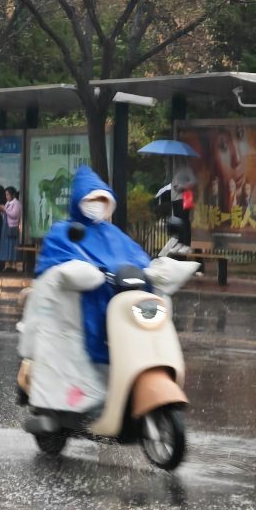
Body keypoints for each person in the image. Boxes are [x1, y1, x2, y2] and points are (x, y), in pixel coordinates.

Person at [19, 167, 152, 413]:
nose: (97, 205)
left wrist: (153, 271)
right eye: (92, 199)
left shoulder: (114, 234)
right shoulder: (63, 231)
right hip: (80, 308)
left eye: (102, 200)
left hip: (119, 301)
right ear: (79, 200)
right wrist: (81, 273)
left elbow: (138, 257)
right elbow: (56, 264)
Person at [171, 160, 197, 254]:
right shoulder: (175, 170)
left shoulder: (187, 169)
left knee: (184, 221)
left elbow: (194, 180)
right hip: (175, 198)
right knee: (178, 222)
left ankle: (187, 244)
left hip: (183, 198)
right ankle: (180, 242)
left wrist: (182, 186)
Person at [0, 187, 22, 272]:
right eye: (6, 194)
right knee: (6, 245)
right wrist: (2, 211)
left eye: (8, 194)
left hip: (12, 227)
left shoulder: (16, 203)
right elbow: (6, 214)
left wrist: (5, 209)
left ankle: (14, 265)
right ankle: (7, 264)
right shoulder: (7, 203)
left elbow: (14, 214)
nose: (6, 196)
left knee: (12, 245)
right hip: (6, 225)